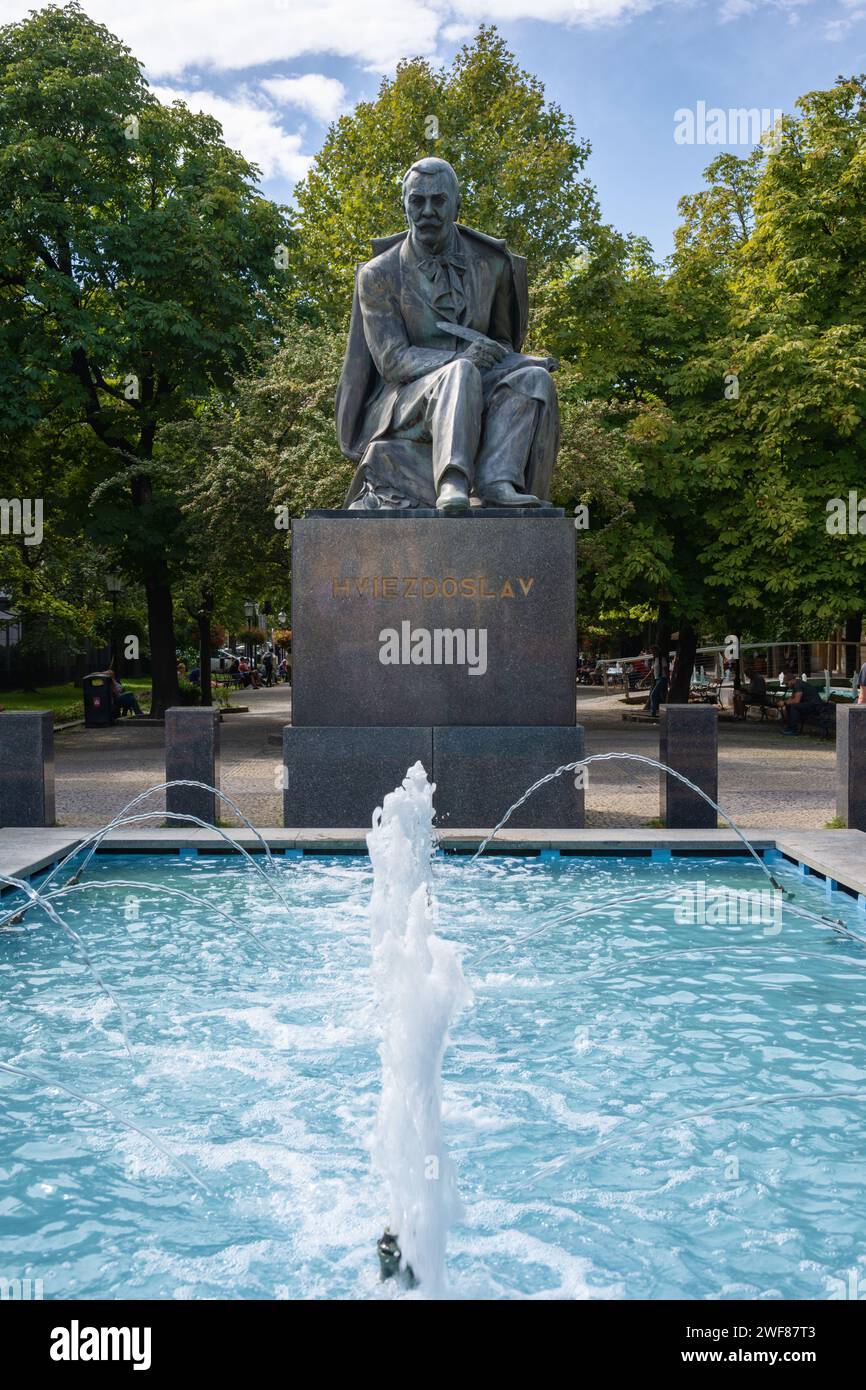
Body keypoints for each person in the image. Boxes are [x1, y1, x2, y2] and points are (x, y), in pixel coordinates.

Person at [338, 157, 560, 512]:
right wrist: (460, 360)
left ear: (456, 204)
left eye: (438, 200)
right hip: (407, 399)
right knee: (460, 372)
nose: (427, 210)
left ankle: (497, 479)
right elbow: (392, 360)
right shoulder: (378, 274)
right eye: (417, 201)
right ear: (405, 205)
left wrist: (510, 359)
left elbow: (503, 340)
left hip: (479, 382)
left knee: (534, 380)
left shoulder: (493, 265)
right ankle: (453, 481)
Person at [648, 645, 669, 717]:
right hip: (657, 679)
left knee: (653, 695)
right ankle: (663, 711)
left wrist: (668, 680)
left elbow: (666, 670)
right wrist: (644, 680)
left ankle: (653, 713)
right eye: (651, 651)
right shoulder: (654, 660)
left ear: (657, 651)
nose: (652, 653)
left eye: (653, 651)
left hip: (662, 679)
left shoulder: (662, 659)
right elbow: (652, 671)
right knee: (661, 696)